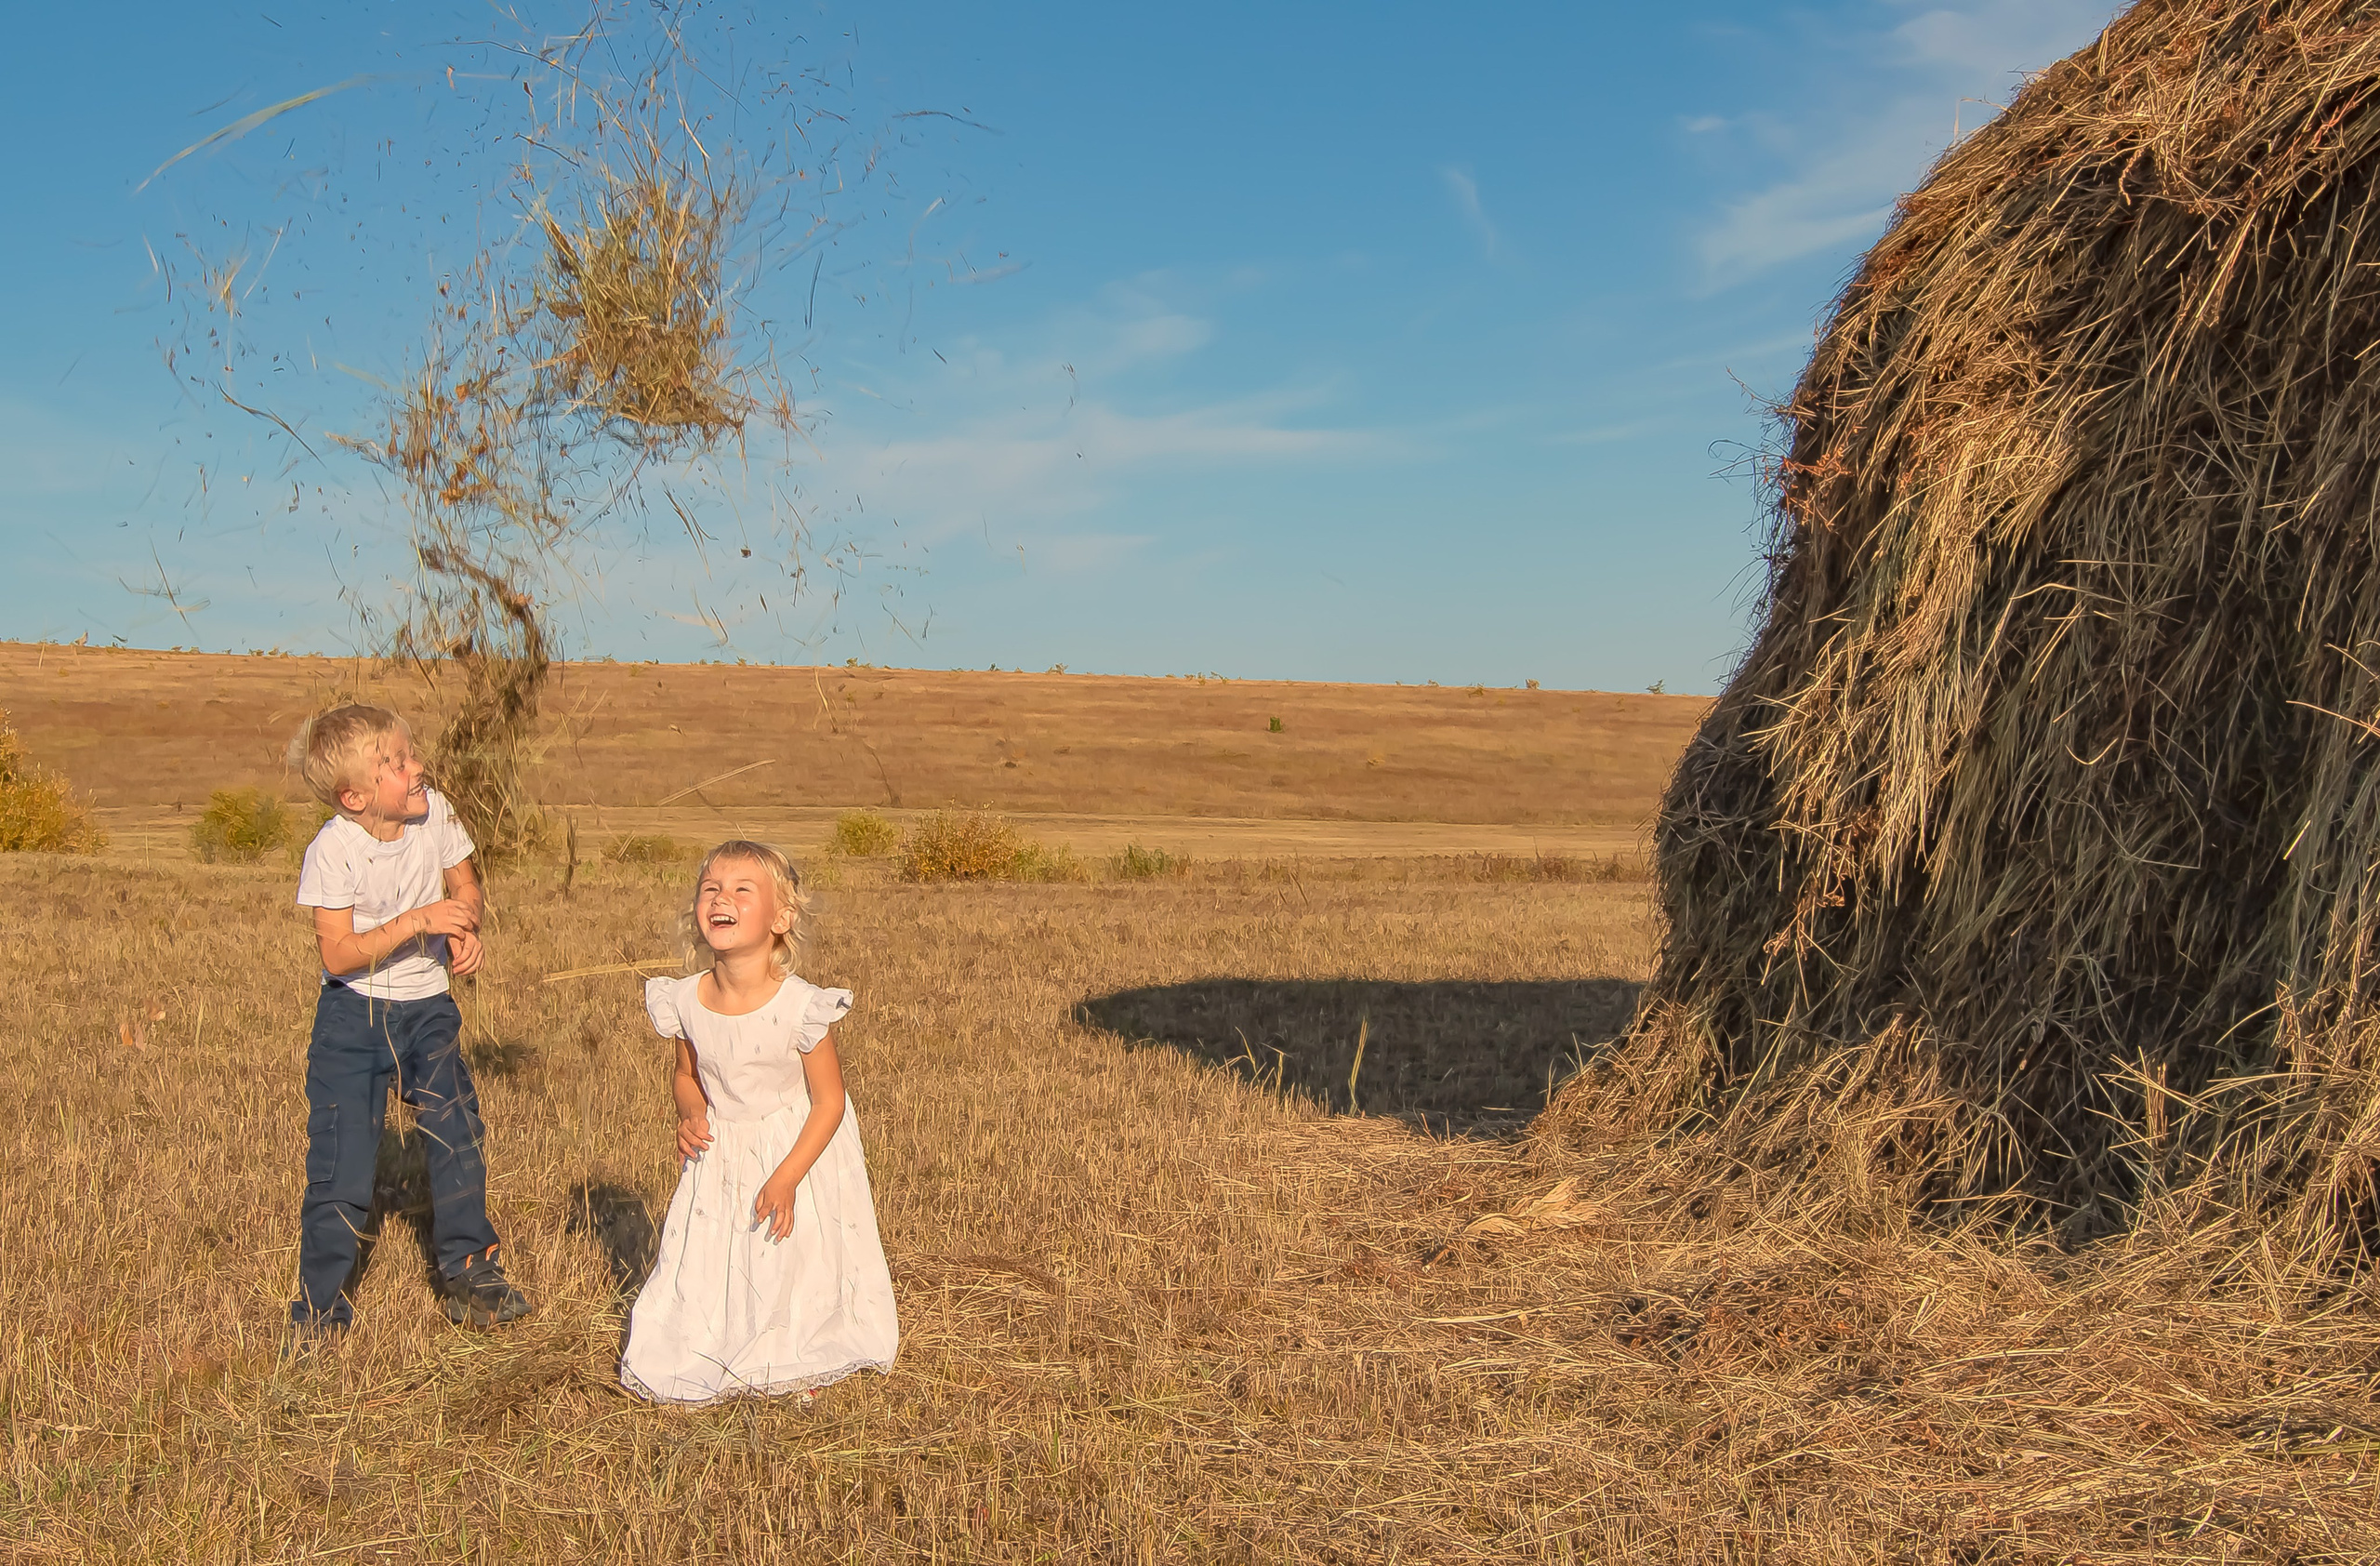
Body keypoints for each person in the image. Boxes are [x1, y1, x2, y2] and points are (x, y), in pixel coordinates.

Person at [622, 840, 898, 1403]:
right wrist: (691, 1111)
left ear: (781, 917)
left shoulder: (801, 1008)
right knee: (710, 1261)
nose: (721, 898)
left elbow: (829, 1103)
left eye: (742, 890)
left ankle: (793, 1352)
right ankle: (709, 1342)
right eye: (711, 889)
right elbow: (686, 1075)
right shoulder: (686, 1000)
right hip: (721, 1152)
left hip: (793, 1146)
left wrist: (787, 1176)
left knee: (784, 1262)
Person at [287, 704, 531, 1341]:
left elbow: (466, 889)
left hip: (428, 1009)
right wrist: (422, 922)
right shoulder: (332, 850)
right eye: (397, 764)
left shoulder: (436, 812)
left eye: (411, 753)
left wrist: (463, 930)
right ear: (357, 796)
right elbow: (338, 954)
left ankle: (472, 1276)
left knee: (457, 1132)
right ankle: (319, 1312)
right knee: (342, 1170)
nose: (416, 767)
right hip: (352, 1016)